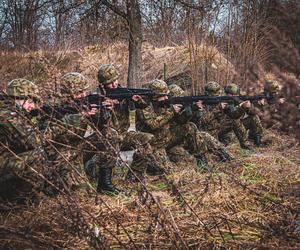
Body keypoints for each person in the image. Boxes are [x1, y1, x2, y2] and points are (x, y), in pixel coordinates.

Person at [136, 79, 219, 176]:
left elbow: (180, 121)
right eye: (162, 96)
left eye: (166, 95)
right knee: (168, 173)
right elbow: (153, 125)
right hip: (154, 145)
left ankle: (202, 162)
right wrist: (171, 111)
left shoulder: (166, 104)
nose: (166, 98)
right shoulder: (144, 106)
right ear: (154, 97)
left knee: (190, 127)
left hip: (168, 139)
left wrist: (192, 109)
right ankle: (151, 164)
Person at [96, 64, 164, 181]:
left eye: (115, 80)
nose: (114, 84)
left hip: (124, 135)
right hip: (106, 138)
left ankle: (134, 176)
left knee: (146, 140)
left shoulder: (124, 92)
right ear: (102, 84)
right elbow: (98, 122)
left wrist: (137, 100)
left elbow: (144, 105)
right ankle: (98, 170)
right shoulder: (98, 97)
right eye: (110, 83)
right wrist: (106, 107)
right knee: (94, 167)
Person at [0, 79, 49, 201]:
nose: (32, 106)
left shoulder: (6, 110)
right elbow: (33, 141)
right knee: (37, 155)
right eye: (31, 101)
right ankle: (21, 204)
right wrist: (62, 125)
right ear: (19, 98)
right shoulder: (6, 115)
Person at [168, 84, 233, 164]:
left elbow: (182, 121)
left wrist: (193, 109)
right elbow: (202, 121)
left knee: (204, 135)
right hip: (170, 141)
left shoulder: (179, 107)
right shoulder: (166, 108)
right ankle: (200, 161)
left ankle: (226, 156)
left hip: (183, 137)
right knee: (188, 160)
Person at [192, 81, 252, 150]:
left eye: (218, 95)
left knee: (235, 121)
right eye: (215, 95)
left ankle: (245, 144)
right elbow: (203, 121)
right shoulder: (200, 103)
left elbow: (234, 115)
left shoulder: (220, 100)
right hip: (207, 132)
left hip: (219, 128)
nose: (217, 96)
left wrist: (242, 108)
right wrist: (218, 108)